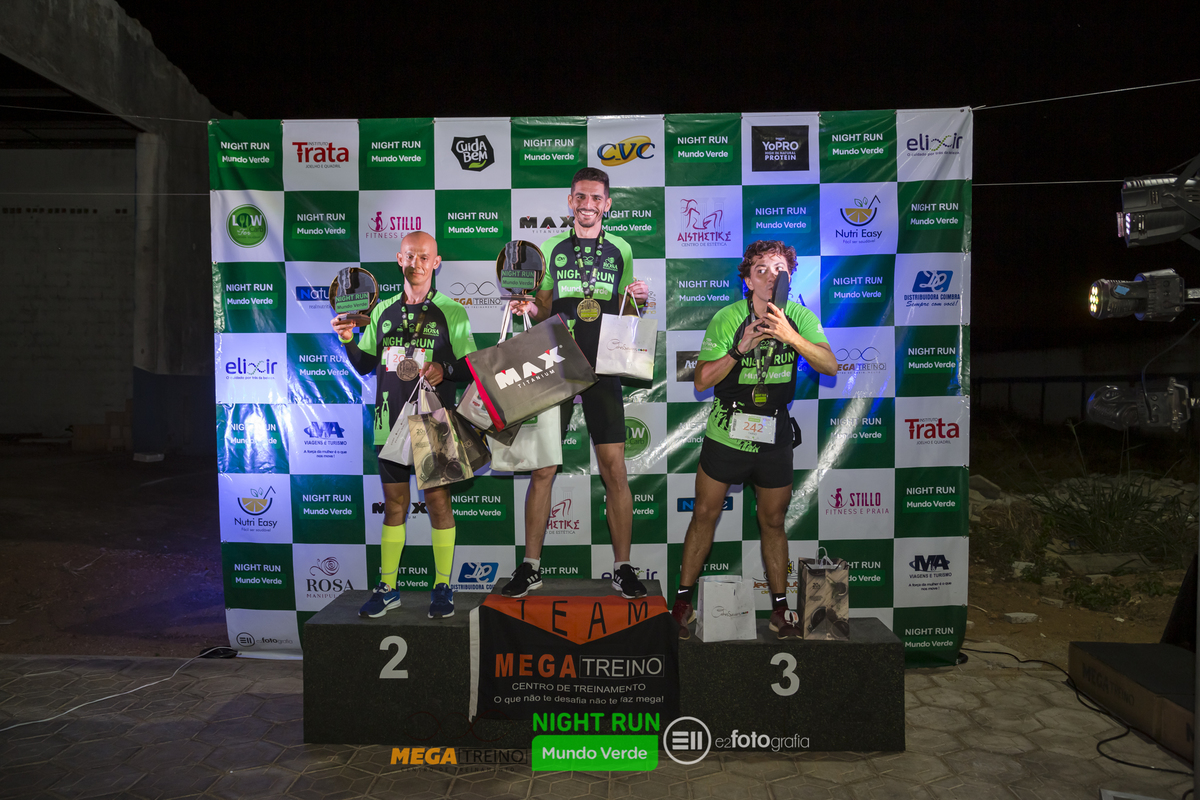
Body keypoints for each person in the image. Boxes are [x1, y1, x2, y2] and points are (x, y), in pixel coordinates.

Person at [670, 240, 838, 639]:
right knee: (704, 514)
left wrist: (791, 337)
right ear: (748, 281)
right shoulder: (728, 317)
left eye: (779, 270)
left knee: (774, 520)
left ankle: (780, 610)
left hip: (774, 435)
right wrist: (739, 348)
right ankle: (682, 603)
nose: (770, 277)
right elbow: (701, 380)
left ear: (789, 278)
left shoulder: (799, 317)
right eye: (760, 270)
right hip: (727, 431)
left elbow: (830, 366)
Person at [500, 167, 651, 599]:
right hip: (558, 362)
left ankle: (622, 567)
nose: (588, 205)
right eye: (580, 197)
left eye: (596, 198)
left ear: (607, 204)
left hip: (603, 367)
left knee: (615, 469)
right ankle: (530, 567)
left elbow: (625, 312)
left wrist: (639, 301)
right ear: (570, 201)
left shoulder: (621, 248)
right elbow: (544, 306)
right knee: (544, 468)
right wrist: (528, 304)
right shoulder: (551, 247)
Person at [332, 231, 477, 620]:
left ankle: (442, 586)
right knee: (394, 505)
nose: (417, 264)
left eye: (424, 257)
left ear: (436, 262)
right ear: (399, 259)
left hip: (434, 421)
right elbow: (364, 364)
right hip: (388, 421)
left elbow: (470, 365)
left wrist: (444, 369)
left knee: (438, 503)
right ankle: (387, 588)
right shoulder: (382, 311)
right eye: (410, 256)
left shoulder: (452, 311)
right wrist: (347, 338)